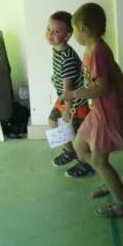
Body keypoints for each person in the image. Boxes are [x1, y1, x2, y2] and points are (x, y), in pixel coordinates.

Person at [65, 2, 123, 218]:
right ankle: (110, 180)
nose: (74, 35)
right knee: (79, 147)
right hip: (97, 112)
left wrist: (75, 94)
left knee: (99, 161)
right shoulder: (92, 50)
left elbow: (103, 87)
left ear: (83, 30)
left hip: (106, 115)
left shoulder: (98, 53)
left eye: (74, 30)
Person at [45, 11, 93, 176]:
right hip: (64, 99)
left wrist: (67, 109)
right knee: (53, 121)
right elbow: (64, 77)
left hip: (75, 103)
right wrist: (55, 78)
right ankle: (69, 151)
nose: (50, 34)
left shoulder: (67, 58)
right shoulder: (57, 50)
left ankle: (86, 163)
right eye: (48, 29)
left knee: (80, 136)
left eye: (56, 31)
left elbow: (69, 87)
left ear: (68, 35)